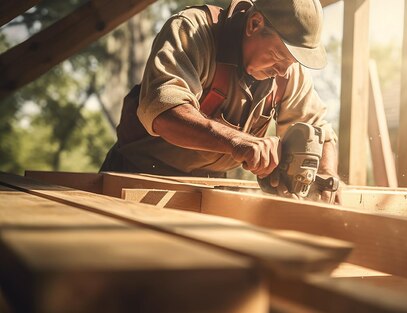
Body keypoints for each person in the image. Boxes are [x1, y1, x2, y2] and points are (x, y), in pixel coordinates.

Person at [100, 0, 340, 202]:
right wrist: (238, 141)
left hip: (208, 186)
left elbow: (319, 132)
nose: (282, 70)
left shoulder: (287, 71)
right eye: (278, 56)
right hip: (136, 176)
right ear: (254, 24)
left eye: (291, 63)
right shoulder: (193, 30)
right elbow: (165, 113)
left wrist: (327, 175)